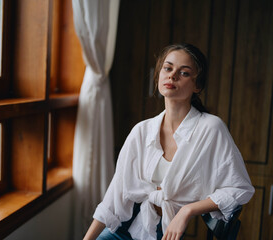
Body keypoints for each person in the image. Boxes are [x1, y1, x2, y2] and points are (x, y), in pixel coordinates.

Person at [83, 43, 255, 240]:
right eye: (168, 68)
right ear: (158, 76)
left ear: (197, 85)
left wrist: (187, 210)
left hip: (166, 231)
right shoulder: (142, 131)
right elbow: (114, 199)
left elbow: (240, 187)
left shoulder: (211, 129)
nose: (172, 76)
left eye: (184, 73)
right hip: (126, 225)